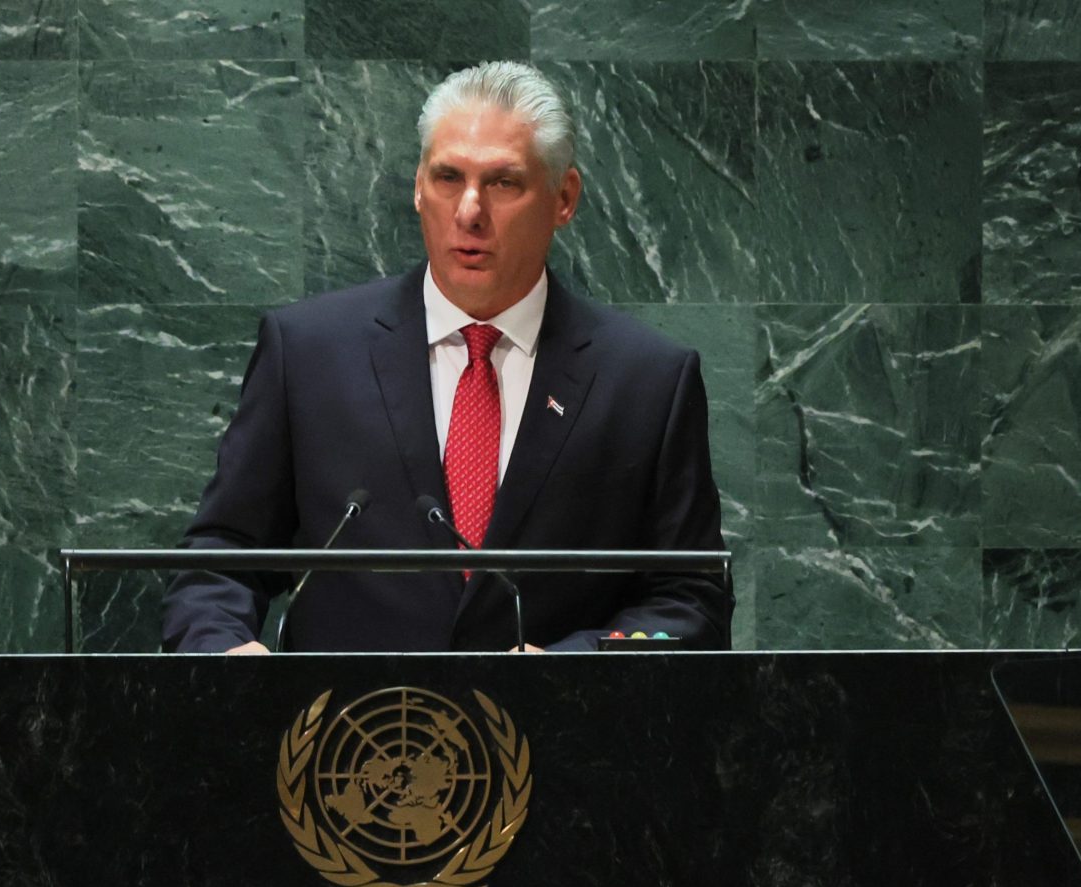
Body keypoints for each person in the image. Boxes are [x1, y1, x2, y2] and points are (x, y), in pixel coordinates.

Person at [161, 61, 732, 654]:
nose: (469, 211)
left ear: (564, 198)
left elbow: (692, 599)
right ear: (416, 186)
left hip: (558, 736)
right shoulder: (309, 353)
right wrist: (222, 653)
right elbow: (222, 557)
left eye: (504, 183)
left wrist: (580, 665)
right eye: (448, 177)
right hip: (343, 736)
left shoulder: (647, 380)